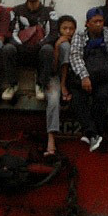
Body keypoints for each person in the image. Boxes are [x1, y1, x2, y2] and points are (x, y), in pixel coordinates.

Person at [68, 8, 108, 153]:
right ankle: (93, 134)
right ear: (87, 23)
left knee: (102, 97)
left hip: (102, 78)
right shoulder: (80, 35)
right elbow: (75, 56)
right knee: (78, 100)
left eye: (101, 21)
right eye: (95, 21)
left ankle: (91, 134)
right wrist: (84, 77)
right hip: (83, 78)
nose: (98, 24)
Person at [5, 0, 56, 101]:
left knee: (48, 49)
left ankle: (40, 84)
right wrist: (21, 46)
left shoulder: (49, 11)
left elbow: (53, 34)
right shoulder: (16, 10)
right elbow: (11, 33)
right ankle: (12, 85)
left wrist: (39, 45)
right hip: (21, 51)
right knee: (8, 48)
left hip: (39, 53)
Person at [44, 15, 76, 157]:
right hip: (56, 78)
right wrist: (57, 47)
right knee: (53, 99)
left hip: (74, 79)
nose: (68, 32)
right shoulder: (53, 43)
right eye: (64, 28)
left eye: (71, 29)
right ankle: (51, 139)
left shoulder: (80, 41)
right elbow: (52, 69)